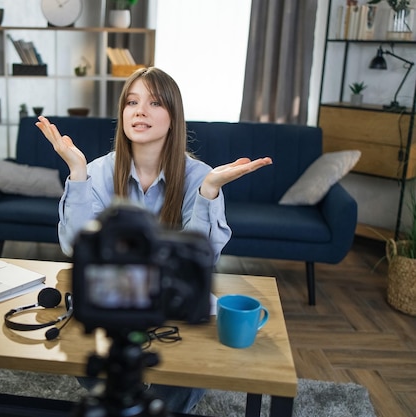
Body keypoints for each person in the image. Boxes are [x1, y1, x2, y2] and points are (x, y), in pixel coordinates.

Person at [35, 67, 272, 414]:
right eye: (132, 102)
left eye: (154, 102)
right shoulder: (98, 171)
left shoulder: (199, 175)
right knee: (93, 362)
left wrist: (209, 190)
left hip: (172, 302)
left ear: (173, 117)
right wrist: (77, 172)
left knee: (184, 375)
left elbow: (204, 257)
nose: (139, 110)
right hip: (114, 295)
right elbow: (74, 246)